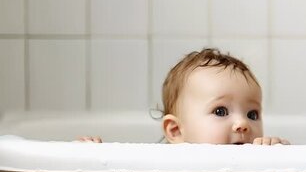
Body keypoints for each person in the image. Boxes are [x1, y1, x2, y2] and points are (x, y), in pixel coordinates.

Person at [79, 48, 289, 145]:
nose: (242, 124)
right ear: (176, 130)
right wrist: (94, 156)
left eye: (252, 114)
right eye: (220, 111)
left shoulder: (257, 161)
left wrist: (279, 154)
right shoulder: (162, 166)